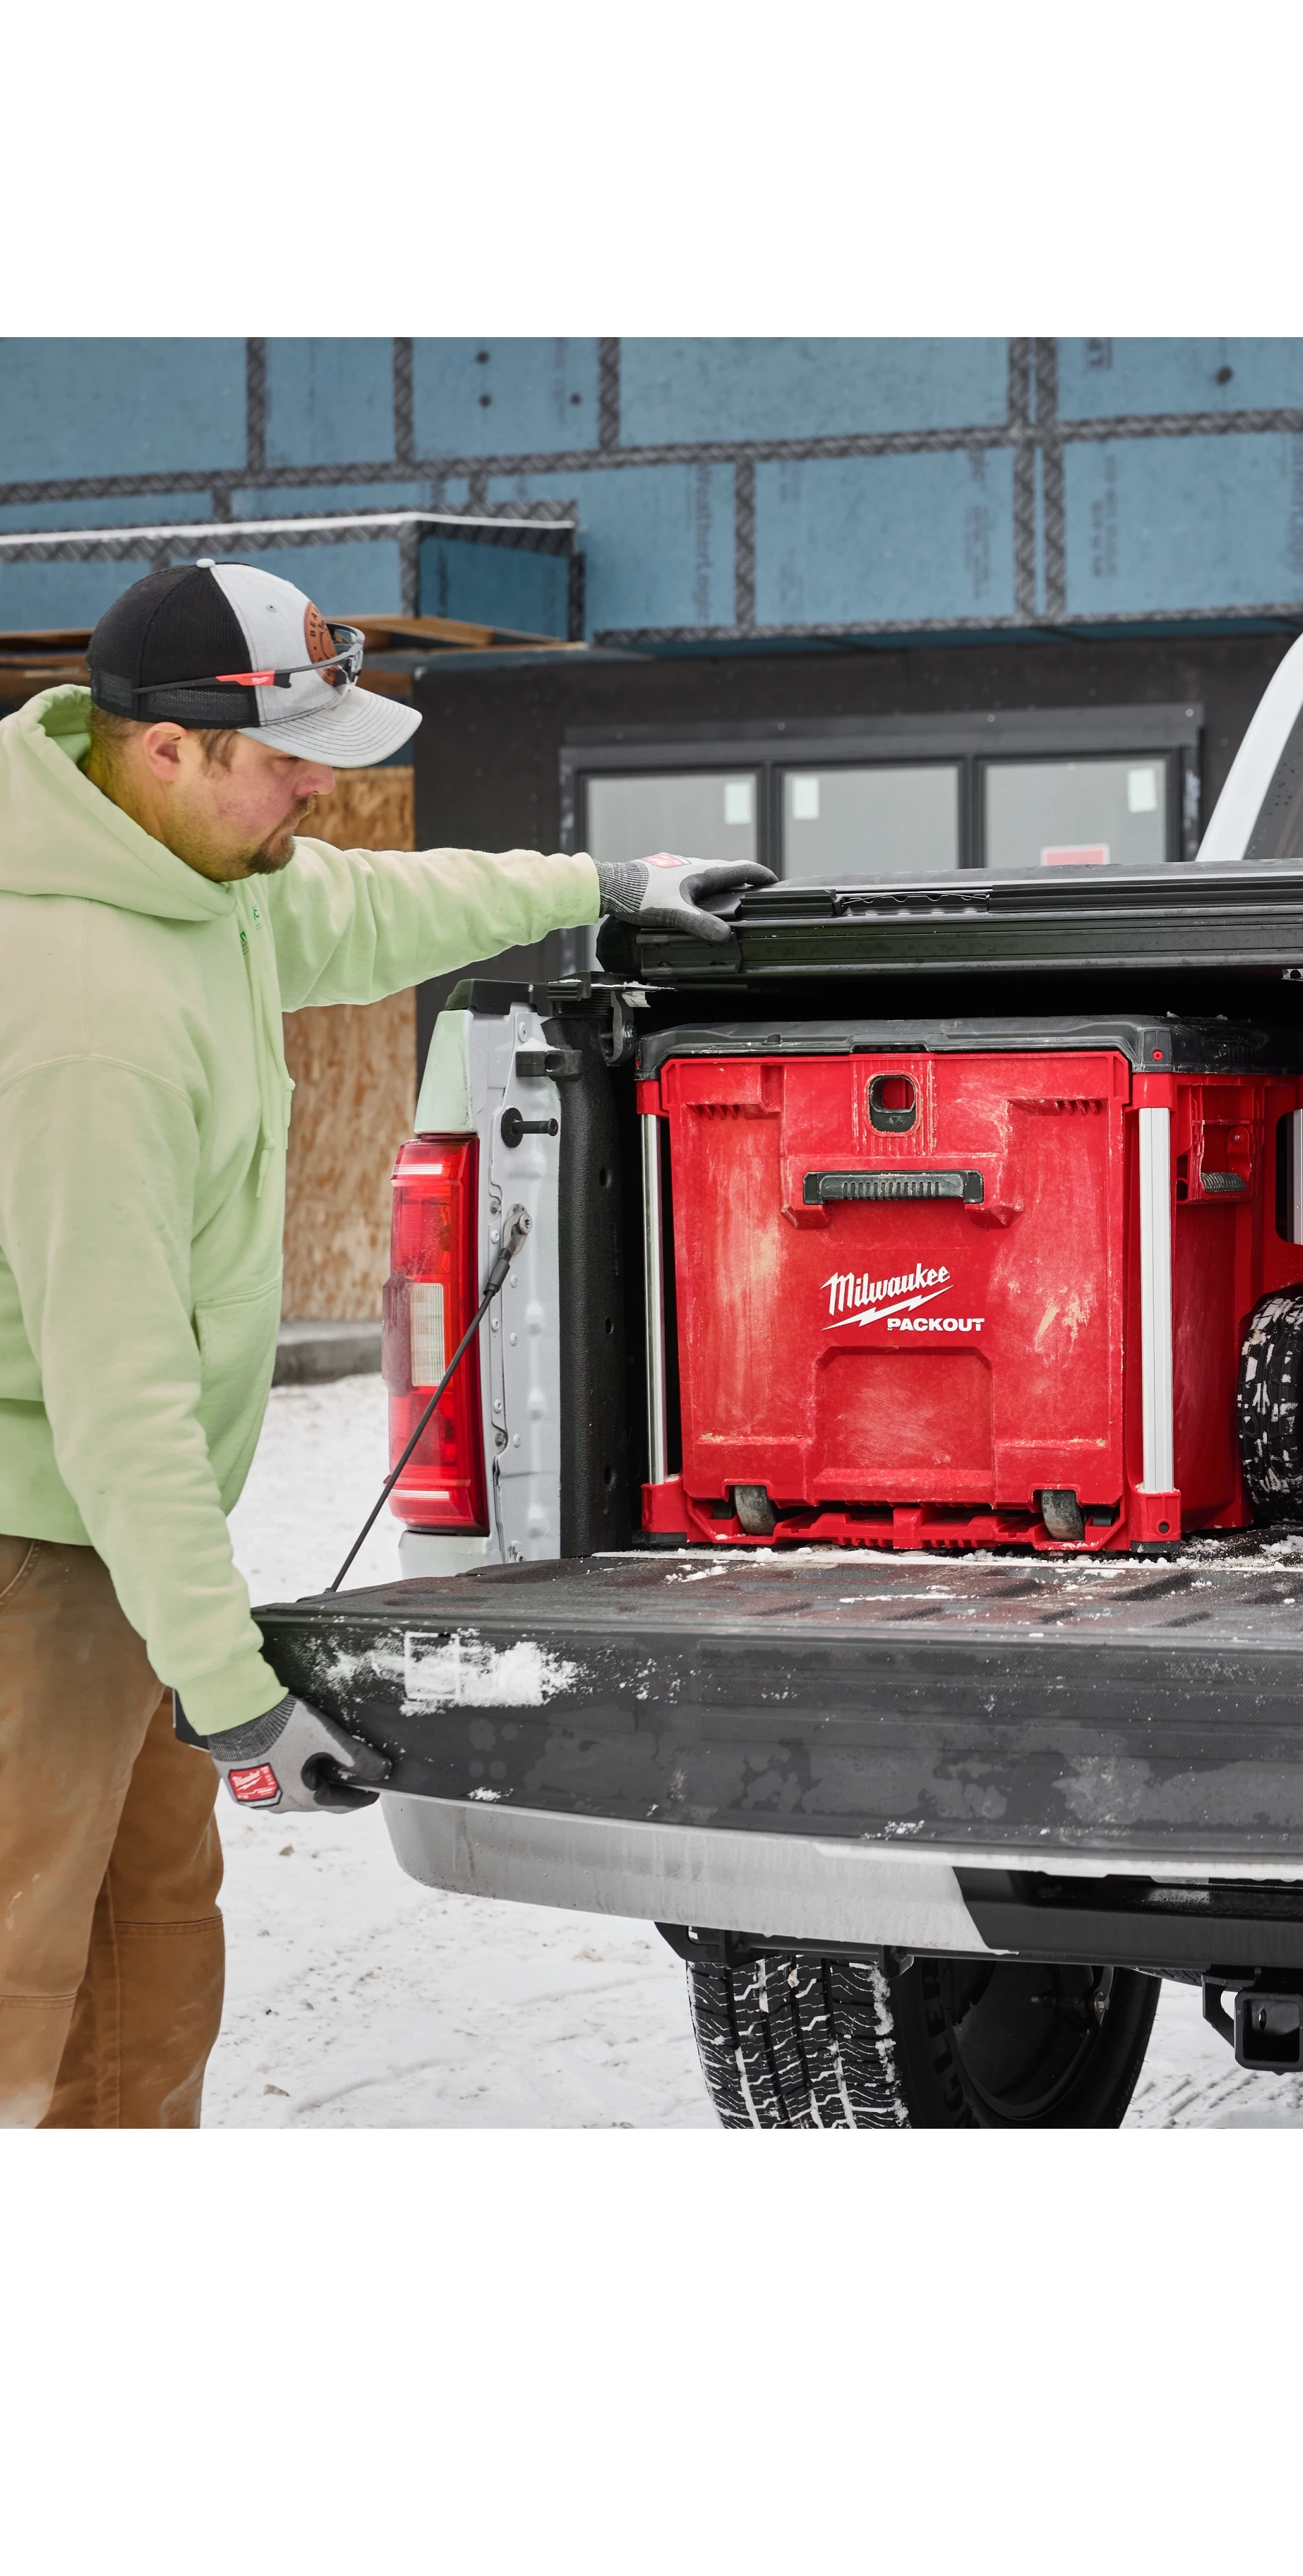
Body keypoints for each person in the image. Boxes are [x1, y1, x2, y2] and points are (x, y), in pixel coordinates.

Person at [0, 560, 766, 2128]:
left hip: (128, 1552)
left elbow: (370, 908)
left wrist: (601, 885)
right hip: (35, 1557)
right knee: (20, 1977)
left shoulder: (195, 883)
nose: (317, 792)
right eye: (288, 759)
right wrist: (228, 1686)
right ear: (166, 749)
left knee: (147, 1964)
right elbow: (115, 1392)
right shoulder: (85, 1006)